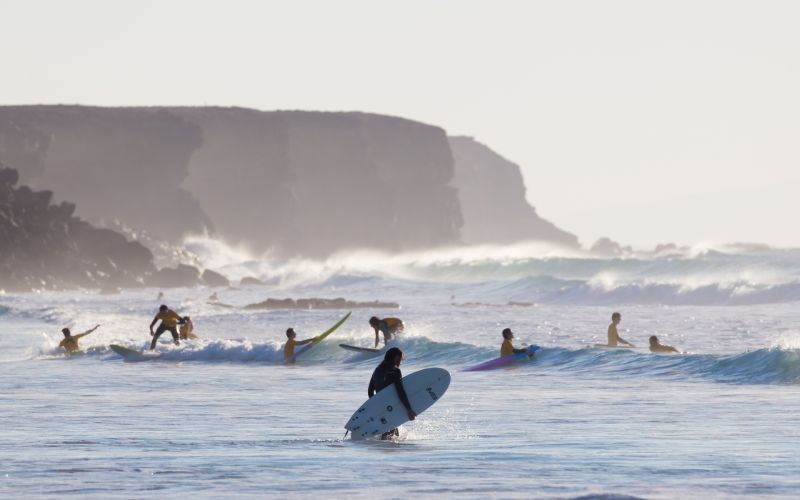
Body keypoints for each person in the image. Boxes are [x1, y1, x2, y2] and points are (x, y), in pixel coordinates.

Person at [368, 347, 416, 439]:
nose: (399, 362)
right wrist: (409, 409)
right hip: (391, 406)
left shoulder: (377, 370)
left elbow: (370, 391)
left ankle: (382, 449)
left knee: (388, 433)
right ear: (392, 357)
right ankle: (388, 451)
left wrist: (374, 405)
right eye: (398, 359)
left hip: (380, 406)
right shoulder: (395, 371)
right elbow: (400, 391)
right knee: (392, 435)